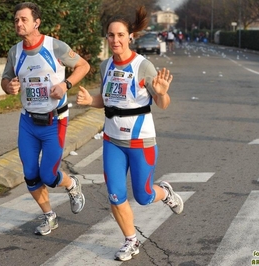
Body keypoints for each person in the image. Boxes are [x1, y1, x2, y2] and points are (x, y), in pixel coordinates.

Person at [76, 6, 184, 262]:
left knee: (144, 196)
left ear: (129, 37)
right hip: (113, 141)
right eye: (111, 35)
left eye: (120, 35)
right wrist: (89, 100)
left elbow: (162, 104)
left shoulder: (142, 66)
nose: (115, 40)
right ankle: (131, 240)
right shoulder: (106, 66)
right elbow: (106, 100)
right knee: (115, 194)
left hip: (140, 142)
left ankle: (165, 192)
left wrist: (161, 91)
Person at [1, 2, 90, 236]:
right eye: (16, 20)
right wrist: (8, 86)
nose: (18, 23)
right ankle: (49, 216)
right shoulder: (15, 52)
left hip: (54, 121)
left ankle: (71, 184)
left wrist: (65, 84)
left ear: (36, 22)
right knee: (30, 174)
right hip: (28, 122)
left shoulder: (55, 46)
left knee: (49, 176)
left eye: (23, 19)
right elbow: (6, 79)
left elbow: (83, 65)